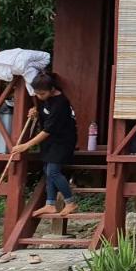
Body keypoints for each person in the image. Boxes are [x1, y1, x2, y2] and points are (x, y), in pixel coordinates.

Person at [13, 72, 79, 218]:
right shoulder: (46, 99)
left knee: (53, 171)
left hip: (63, 141)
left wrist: (26, 145)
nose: (39, 96)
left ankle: (70, 202)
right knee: (47, 170)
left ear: (52, 89)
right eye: (36, 93)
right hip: (51, 142)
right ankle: (50, 204)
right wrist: (35, 113)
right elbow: (44, 115)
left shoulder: (61, 103)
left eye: (42, 93)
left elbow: (48, 130)